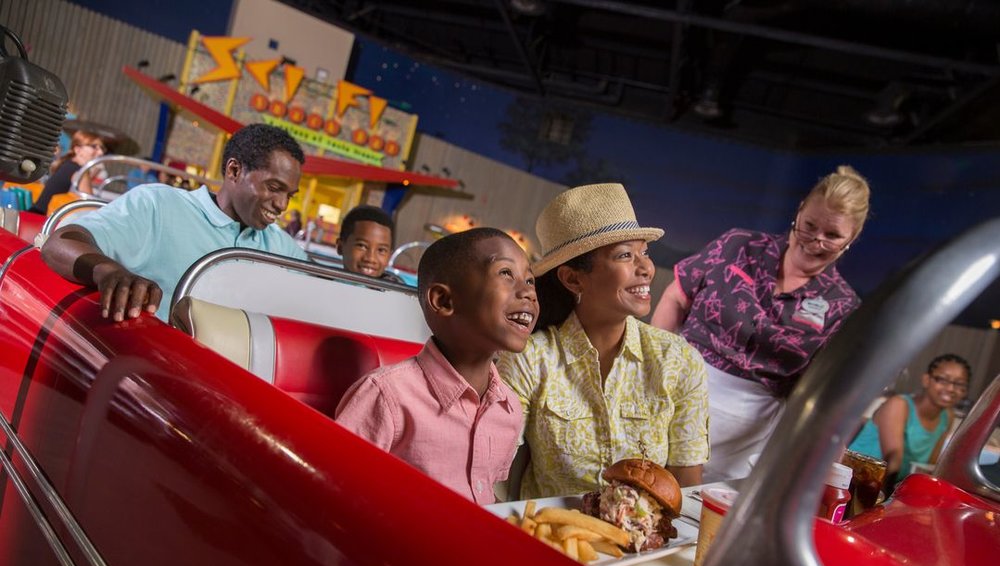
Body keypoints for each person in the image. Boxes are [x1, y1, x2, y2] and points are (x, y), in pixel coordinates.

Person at [651, 166, 870, 483]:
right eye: (809, 226)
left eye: (832, 235)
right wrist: (655, 369)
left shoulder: (842, 306)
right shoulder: (739, 246)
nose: (815, 240)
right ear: (799, 213)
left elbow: (823, 397)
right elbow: (676, 297)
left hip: (747, 435)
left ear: (852, 238)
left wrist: (828, 471)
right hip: (675, 391)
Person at [497, 183, 710, 499]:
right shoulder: (530, 359)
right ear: (573, 278)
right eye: (625, 255)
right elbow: (494, 472)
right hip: (547, 535)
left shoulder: (678, 361)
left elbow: (686, 491)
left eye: (644, 252)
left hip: (647, 544)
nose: (646, 268)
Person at [335, 228, 538, 504]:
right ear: (443, 301)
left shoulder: (509, 408)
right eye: (506, 273)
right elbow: (335, 492)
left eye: (530, 279)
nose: (528, 292)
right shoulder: (385, 396)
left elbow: (483, 495)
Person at [40, 124, 308, 322]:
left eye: (289, 196)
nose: (282, 205)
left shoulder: (278, 245)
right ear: (234, 171)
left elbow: (322, 291)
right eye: (274, 188)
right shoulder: (159, 205)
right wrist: (110, 272)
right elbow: (60, 243)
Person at [849, 354, 971, 489]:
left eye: (959, 384)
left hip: (893, 486)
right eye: (942, 380)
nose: (951, 389)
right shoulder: (899, 405)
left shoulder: (947, 416)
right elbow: (893, 460)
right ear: (926, 380)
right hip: (857, 481)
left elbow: (928, 466)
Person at [28, 130, 105, 215]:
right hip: (43, 220)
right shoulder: (80, 173)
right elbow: (91, 207)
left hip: (35, 214)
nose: (101, 152)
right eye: (94, 147)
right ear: (78, 149)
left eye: (101, 148)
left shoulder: (67, 164)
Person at [335, 204, 399, 281]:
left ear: (389, 256)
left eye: (381, 250)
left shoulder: (394, 290)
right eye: (362, 246)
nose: (371, 259)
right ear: (340, 247)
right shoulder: (323, 282)